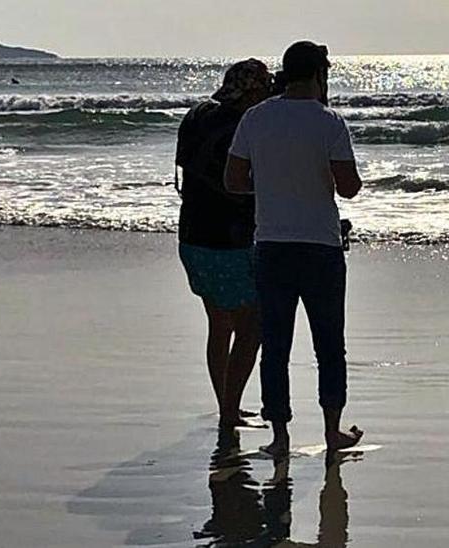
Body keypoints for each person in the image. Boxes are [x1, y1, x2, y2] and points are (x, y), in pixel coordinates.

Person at [225, 41, 364, 460]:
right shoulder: (329, 122)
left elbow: (233, 180)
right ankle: (332, 430)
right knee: (328, 343)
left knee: (276, 343)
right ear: (320, 75)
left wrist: (270, 186)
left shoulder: (255, 117)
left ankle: (280, 435)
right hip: (320, 245)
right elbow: (349, 187)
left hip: (271, 244)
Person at [175, 59, 271, 429]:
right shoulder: (246, 126)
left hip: (193, 236)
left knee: (219, 325)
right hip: (232, 241)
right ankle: (230, 410)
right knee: (253, 326)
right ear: (254, 91)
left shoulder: (198, 116)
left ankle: (226, 406)